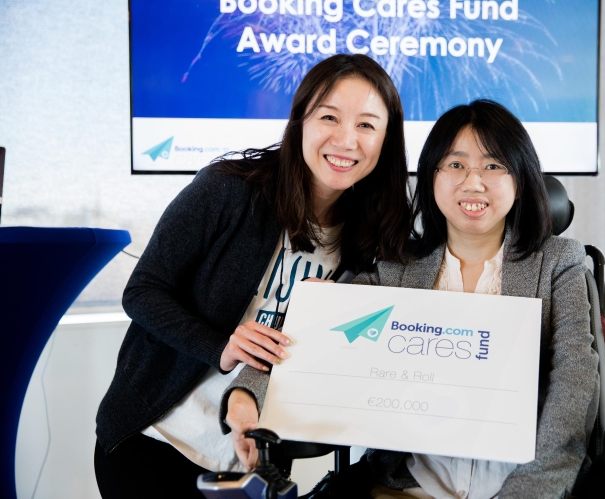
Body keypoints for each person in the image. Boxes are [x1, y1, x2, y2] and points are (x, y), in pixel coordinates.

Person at [223, 100, 600, 499]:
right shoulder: (398, 267)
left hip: (520, 485)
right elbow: (305, 335)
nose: (473, 182)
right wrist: (247, 393)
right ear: (431, 177)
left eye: (493, 165)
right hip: (410, 486)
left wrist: (529, 492)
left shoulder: (558, 263)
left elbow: (574, 381)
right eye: (455, 164)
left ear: (520, 180)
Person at [94, 54, 412, 499]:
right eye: (329, 117)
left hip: (254, 457)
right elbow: (143, 291)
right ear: (300, 121)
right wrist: (220, 346)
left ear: (386, 139)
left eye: (366, 125)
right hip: (156, 436)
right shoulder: (229, 189)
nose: (346, 140)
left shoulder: (374, 237)